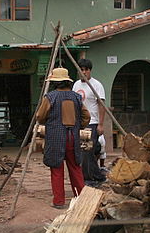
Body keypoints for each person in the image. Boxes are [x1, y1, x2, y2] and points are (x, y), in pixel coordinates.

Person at [35, 67, 90, 208]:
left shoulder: (50, 97)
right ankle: (81, 199)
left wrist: (46, 122)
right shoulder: (76, 97)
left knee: (56, 169)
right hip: (73, 138)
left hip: (55, 137)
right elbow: (86, 116)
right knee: (75, 168)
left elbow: (40, 116)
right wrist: (79, 125)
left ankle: (59, 201)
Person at [72, 58, 107, 184]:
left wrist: (101, 124)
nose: (83, 72)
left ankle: (92, 177)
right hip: (79, 123)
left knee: (87, 150)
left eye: (85, 70)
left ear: (89, 71)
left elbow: (101, 105)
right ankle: (94, 175)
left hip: (92, 122)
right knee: (82, 151)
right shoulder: (76, 85)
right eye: (80, 70)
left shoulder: (96, 85)